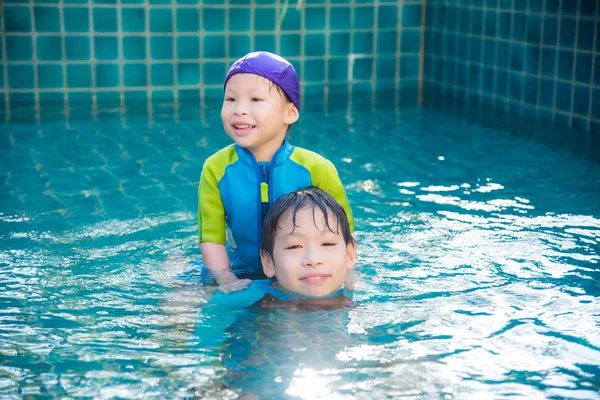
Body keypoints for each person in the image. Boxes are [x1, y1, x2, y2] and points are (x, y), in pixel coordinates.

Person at [198, 51, 354, 293]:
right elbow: (211, 236)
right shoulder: (216, 169)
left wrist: (350, 279)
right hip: (241, 272)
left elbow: (345, 233)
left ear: (289, 112)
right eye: (230, 100)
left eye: (255, 100)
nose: (239, 109)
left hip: (303, 272)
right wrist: (225, 278)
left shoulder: (317, 168)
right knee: (181, 305)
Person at [195, 186, 357, 348]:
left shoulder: (363, 297)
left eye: (327, 243)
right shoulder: (246, 295)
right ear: (268, 262)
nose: (313, 260)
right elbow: (203, 333)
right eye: (294, 247)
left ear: (349, 255)